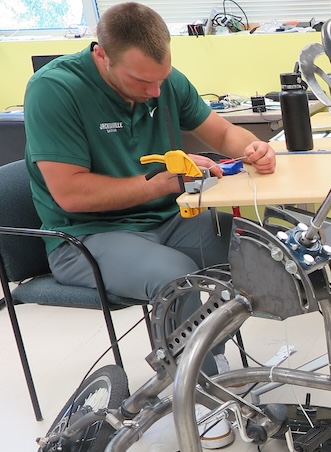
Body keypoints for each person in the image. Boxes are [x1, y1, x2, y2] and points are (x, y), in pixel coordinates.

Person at [23, 2, 277, 375]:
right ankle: (200, 392)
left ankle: (202, 355)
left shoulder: (162, 81)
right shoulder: (55, 89)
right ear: (102, 54)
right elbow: (71, 194)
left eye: (162, 77)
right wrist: (162, 184)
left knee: (256, 252)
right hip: (84, 237)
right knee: (176, 275)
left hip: (167, 221)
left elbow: (222, 132)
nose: (156, 91)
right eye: (142, 82)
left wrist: (252, 148)